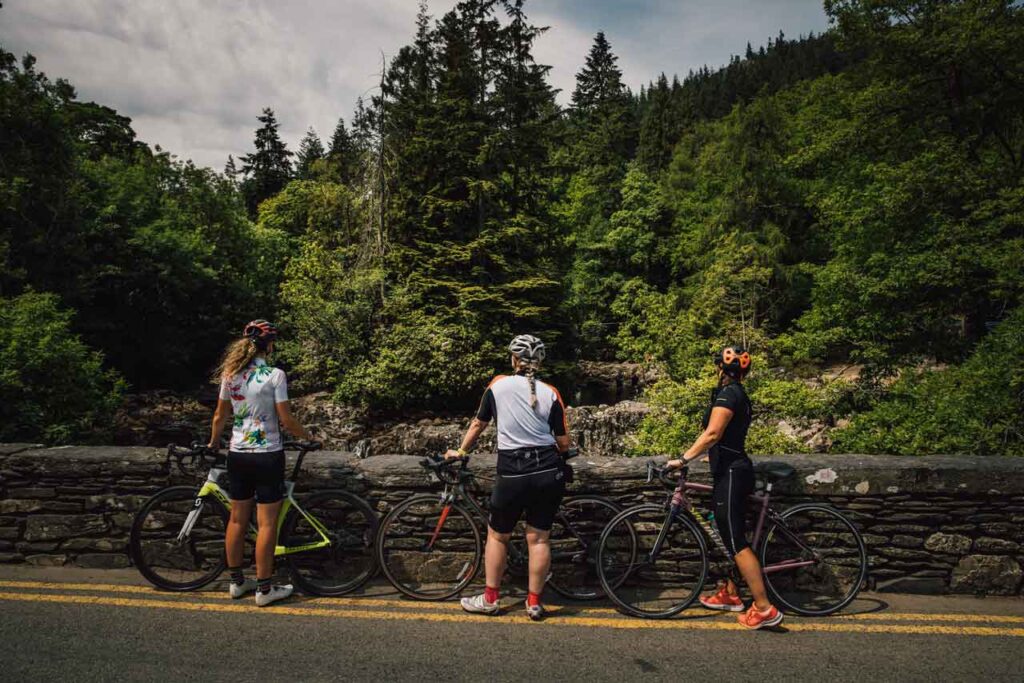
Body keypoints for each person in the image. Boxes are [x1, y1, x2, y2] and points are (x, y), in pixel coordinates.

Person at [445, 334, 571, 621]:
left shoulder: (497, 385)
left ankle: (490, 599)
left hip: (512, 470)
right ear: (539, 363)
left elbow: (479, 423)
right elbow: (563, 443)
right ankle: (535, 603)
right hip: (547, 470)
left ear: (514, 360)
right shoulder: (551, 392)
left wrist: (462, 450)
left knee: (498, 536)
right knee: (539, 539)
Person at [664, 346, 783, 630]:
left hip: (732, 474)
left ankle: (764, 608)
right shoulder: (737, 394)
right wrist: (703, 453)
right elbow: (718, 437)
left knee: (736, 542)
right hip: (730, 469)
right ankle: (731, 593)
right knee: (728, 532)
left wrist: (683, 459)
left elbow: (713, 433)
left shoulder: (728, 394)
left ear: (721, 369)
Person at [207, 319, 317, 607]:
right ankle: (265, 590)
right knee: (266, 524)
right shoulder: (275, 375)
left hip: (238, 454)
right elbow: (286, 420)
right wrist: (309, 436)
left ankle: (236, 583)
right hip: (268, 454)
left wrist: (213, 443)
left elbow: (220, 416)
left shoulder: (230, 375)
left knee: (236, 519)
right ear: (269, 345)